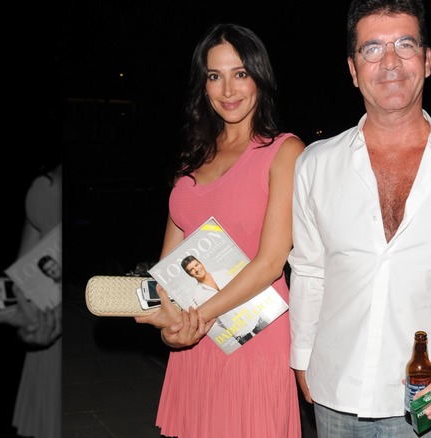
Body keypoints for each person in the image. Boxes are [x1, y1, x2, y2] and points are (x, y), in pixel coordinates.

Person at [288, 0, 431, 437]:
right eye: (372, 49)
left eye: (405, 45)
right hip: (334, 389)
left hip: (427, 399)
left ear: (427, 61)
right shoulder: (315, 164)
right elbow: (309, 269)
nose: (390, 62)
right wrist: (302, 357)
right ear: (353, 70)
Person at [133, 22, 305, 437]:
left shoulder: (285, 151)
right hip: (196, 336)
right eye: (215, 76)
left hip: (253, 334)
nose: (228, 89)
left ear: (260, 78)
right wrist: (169, 324)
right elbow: (169, 266)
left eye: (240, 73)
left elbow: (269, 263)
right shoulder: (192, 158)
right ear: (203, 85)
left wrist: (199, 316)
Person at [0, 162, 62, 438]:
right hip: (49, 344)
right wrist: (29, 330)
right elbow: (22, 290)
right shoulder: (45, 188)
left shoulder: (45, 187)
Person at [181, 255, 265, 344]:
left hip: (254, 315)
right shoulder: (197, 295)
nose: (197, 269)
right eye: (192, 269)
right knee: (252, 352)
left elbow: (243, 288)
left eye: (196, 265)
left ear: (201, 263)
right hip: (237, 331)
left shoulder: (223, 273)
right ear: (189, 274)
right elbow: (211, 318)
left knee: (273, 338)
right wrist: (227, 325)